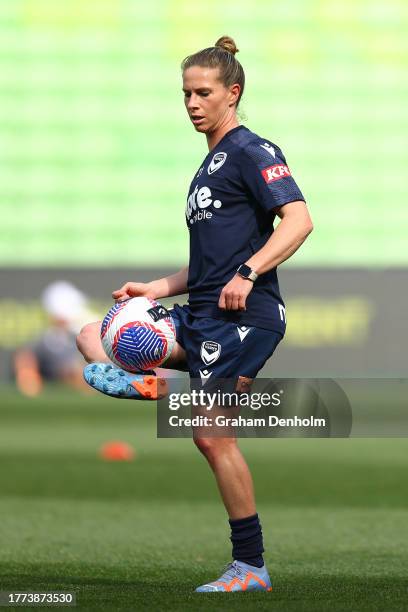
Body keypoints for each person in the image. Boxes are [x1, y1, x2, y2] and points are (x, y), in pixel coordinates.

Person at [76, 36, 313, 593]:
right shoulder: (208, 166)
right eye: (186, 93)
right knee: (92, 334)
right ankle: (152, 388)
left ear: (233, 93)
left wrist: (248, 273)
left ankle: (250, 567)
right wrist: (154, 287)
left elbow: (298, 221)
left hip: (245, 316)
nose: (192, 103)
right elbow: (207, 263)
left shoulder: (254, 150)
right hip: (202, 311)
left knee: (210, 434)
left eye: (203, 92)